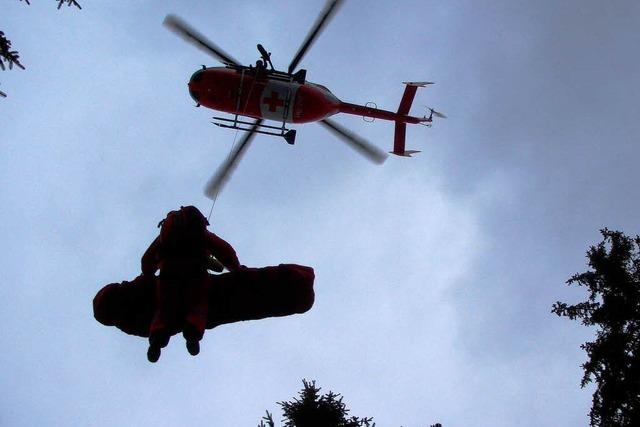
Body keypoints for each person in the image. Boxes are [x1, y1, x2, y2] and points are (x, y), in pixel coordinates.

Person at [141, 205, 241, 363]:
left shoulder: (167, 234)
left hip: (169, 272)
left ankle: (157, 339)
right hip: (196, 272)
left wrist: (147, 273)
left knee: (165, 306)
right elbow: (225, 251)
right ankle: (193, 334)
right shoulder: (202, 234)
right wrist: (236, 268)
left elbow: (147, 260)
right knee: (198, 302)